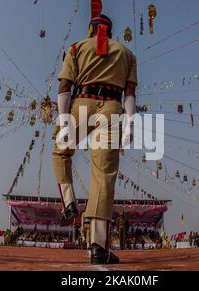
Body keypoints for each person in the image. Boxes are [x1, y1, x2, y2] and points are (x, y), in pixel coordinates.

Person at [52, 14, 137, 265]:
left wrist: (64, 121)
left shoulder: (77, 47)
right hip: (112, 108)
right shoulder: (127, 54)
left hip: (82, 105)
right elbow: (130, 94)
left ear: (92, 30)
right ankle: (98, 247)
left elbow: (65, 86)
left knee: (60, 151)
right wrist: (130, 125)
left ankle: (69, 203)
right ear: (110, 32)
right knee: (103, 175)